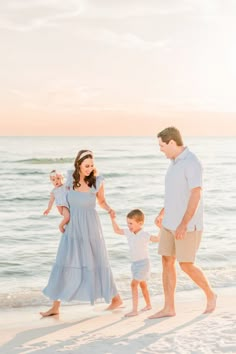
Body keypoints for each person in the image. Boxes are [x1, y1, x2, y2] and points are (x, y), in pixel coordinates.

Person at [40, 150, 122, 317]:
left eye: (92, 165)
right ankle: (55, 306)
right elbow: (60, 196)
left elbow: (102, 201)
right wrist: (62, 215)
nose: (89, 169)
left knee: (98, 260)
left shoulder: (97, 181)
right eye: (86, 166)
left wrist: (109, 210)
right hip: (73, 226)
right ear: (78, 165)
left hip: (90, 226)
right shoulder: (69, 179)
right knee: (64, 261)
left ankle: (116, 299)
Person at [149, 127, 217, 319]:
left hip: (186, 224)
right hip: (169, 223)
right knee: (166, 261)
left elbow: (196, 193)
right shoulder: (173, 162)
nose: (160, 149)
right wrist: (163, 212)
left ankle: (211, 295)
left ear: (172, 143)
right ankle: (169, 307)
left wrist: (184, 223)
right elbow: (175, 192)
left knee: (186, 264)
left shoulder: (192, 162)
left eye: (162, 145)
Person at [110, 209, 160, 317]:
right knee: (143, 285)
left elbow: (157, 239)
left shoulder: (144, 234)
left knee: (133, 284)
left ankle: (134, 310)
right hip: (134, 264)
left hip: (144, 263)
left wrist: (160, 228)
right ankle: (148, 304)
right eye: (128, 223)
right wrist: (112, 219)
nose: (129, 225)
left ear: (140, 223)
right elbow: (117, 230)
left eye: (131, 223)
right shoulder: (129, 232)